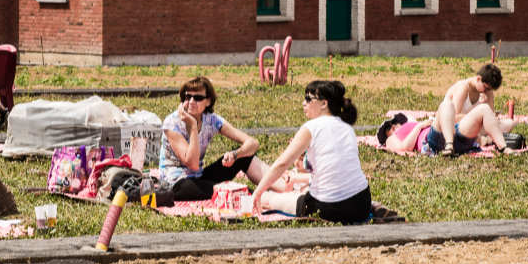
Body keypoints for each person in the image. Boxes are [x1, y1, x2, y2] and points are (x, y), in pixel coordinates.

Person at [251, 80, 372, 224]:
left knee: (274, 200)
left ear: (323, 104)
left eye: (308, 99)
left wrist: (257, 193)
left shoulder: (312, 127)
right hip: (362, 204)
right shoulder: (347, 127)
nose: (303, 103)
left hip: (330, 208)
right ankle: (375, 206)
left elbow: (282, 163)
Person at [159, 76, 288, 202]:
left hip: (198, 176)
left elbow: (253, 144)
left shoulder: (211, 119)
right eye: (187, 97)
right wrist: (193, 126)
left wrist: (235, 154)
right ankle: (274, 200)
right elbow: (192, 163)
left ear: (208, 101)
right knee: (232, 190)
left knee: (244, 157)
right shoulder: (172, 122)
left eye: (197, 98)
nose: (191, 102)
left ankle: (287, 189)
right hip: (175, 184)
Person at [428, 63, 515, 156]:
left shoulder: (488, 92)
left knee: (508, 122)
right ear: (478, 79)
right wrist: (476, 117)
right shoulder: (463, 88)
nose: (487, 91)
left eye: (490, 89)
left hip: (465, 136)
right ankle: (449, 145)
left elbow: (491, 117)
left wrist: (484, 109)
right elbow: (454, 117)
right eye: (486, 88)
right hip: (447, 132)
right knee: (447, 104)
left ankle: (502, 147)